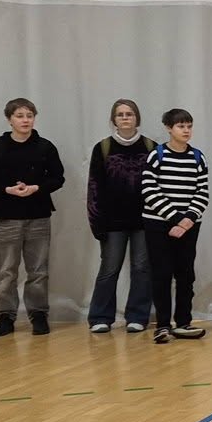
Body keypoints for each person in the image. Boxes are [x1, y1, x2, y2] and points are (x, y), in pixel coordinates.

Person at [0, 98, 65, 337]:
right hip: (5, 217)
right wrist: (8, 189)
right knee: (7, 270)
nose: (25, 120)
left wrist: (36, 188)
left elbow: (57, 178)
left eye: (29, 116)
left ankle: (38, 313)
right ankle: (6, 315)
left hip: (37, 216)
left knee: (38, 270)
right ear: (9, 120)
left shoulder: (45, 147)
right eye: (19, 116)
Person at [86, 100, 154, 334]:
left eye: (129, 114)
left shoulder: (151, 147)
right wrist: (97, 223)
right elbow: (94, 187)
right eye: (120, 114)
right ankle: (100, 316)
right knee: (109, 269)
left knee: (142, 268)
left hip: (144, 221)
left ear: (137, 118)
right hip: (112, 222)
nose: (125, 118)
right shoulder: (103, 148)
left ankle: (138, 316)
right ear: (113, 119)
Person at [142, 108, 209, 342]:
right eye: (181, 126)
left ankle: (183, 323)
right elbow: (149, 190)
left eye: (189, 126)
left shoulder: (198, 157)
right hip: (158, 224)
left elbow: (202, 192)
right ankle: (162, 325)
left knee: (186, 275)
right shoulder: (156, 155)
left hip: (189, 225)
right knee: (161, 274)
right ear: (169, 128)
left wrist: (187, 220)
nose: (186, 130)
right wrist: (174, 218)